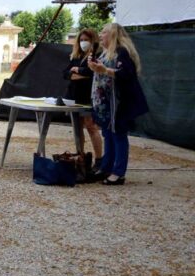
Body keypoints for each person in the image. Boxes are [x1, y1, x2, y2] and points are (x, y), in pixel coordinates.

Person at [87, 23, 149, 185]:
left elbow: (126, 74)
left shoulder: (122, 52)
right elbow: (100, 71)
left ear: (113, 35)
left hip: (119, 102)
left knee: (118, 135)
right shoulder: (106, 53)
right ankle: (106, 168)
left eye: (104, 32)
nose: (100, 35)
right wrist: (93, 66)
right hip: (106, 103)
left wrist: (104, 70)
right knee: (108, 134)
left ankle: (118, 172)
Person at [63, 29, 102, 160]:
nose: (83, 42)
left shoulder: (97, 55)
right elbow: (65, 73)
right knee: (77, 127)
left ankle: (99, 159)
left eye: (86, 40)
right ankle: (80, 155)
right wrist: (79, 74)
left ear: (93, 41)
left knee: (91, 127)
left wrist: (78, 70)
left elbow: (92, 73)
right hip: (73, 97)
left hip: (88, 97)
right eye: (81, 40)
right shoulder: (76, 56)